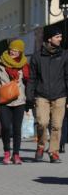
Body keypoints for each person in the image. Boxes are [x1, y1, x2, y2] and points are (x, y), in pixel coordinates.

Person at [27, 26, 67, 163]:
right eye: (57, 37)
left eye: (61, 36)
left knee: (57, 125)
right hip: (41, 95)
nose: (60, 39)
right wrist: (29, 97)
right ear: (49, 39)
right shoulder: (37, 57)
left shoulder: (64, 55)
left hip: (60, 95)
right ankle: (40, 146)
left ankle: (53, 152)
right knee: (42, 123)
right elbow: (32, 79)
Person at [0, 39, 29, 164]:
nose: (13, 52)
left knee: (17, 129)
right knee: (6, 127)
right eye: (12, 49)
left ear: (21, 52)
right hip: (4, 101)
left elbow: (28, 81)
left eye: (16, 51)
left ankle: (16, 154)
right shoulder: (0, 63)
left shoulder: (24, 64)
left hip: (19, 100)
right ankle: (7, 152)